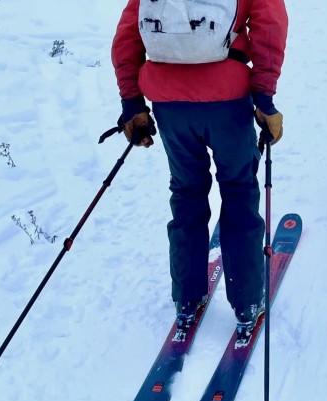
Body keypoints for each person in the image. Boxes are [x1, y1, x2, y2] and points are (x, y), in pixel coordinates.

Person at [111, 0, 288, 339]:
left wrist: (131, 102)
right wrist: (264, 98)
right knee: (238, 191)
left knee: (186, 192)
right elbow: (270, 26)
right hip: (227, 100)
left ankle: (187, 298)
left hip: (169, 103)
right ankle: (247, 301)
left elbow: (127, 35)